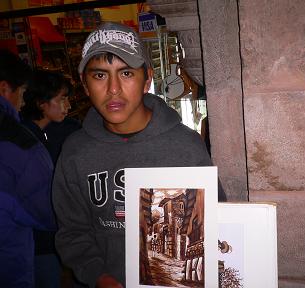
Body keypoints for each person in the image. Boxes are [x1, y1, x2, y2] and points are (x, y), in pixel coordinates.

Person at [52, 22, 226, 288]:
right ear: (84, 85)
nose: (113, 89)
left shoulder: (185, 146)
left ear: (147, 80)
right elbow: (72, 231)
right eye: (99, 75)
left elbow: (217, 219)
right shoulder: (75, 152)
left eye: (126, 73)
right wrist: (99, 276)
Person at [0, 49, 57, 287]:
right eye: (21, 92)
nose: (22, 103)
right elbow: (47, 211)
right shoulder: (18, 143)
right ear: (5, 89)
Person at [20, 70, 81, 288]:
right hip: (38, 235)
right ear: (41, 103)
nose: (68, 106)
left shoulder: (67, 131)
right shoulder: (22, 139)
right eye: (61, 99)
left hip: (62, 227)